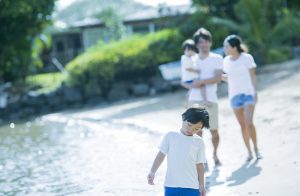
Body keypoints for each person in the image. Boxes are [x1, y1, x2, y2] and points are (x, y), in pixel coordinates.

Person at [181, 28, 223, 166]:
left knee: (214, 131)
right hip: (195, 99)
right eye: (200, 42)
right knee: (197, 133)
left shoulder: (217, 58)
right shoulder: (191, 59)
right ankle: (201, 160)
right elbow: (184, 81)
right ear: (197, 44)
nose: (203, 44)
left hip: (211, 99)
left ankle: (215, 154)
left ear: (210, 42)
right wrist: (192, 87)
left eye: (206, 41)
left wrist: (202, 82)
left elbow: (217, 78)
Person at [147, 107, 209, 196]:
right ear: (183, 118)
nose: (191, 130)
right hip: (171, 185)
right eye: (189, 125)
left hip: (192, 187)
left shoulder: (199, 142)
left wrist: (202, 185)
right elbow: (161, 155)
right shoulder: (170, 136)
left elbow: (200, 165)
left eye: (196, 129)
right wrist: (152, 172)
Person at [222, 34, 262, 161]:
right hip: (234, 96)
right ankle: (249, 152)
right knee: (243, 126)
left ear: (234, 47)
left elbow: (253, 76)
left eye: (226, 46)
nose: (225, 49)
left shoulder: (247, 58)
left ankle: (256, 149)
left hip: (248, 94)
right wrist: (221, 77)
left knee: (249, 122)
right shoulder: (226, 61)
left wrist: (255, 92)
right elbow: (229, 78)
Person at [181, 39, 210, 107]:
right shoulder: (184, 58)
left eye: (191, 50)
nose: (189, 52)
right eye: (187, 50)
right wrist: (197, 71)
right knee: (202, 86)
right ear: (184, 51)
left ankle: (186, 103)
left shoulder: (192, 57)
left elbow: (197, 57)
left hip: (191, 78)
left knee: (192, 90)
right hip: (189, 79)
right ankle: (205, 100)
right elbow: (188, 68)